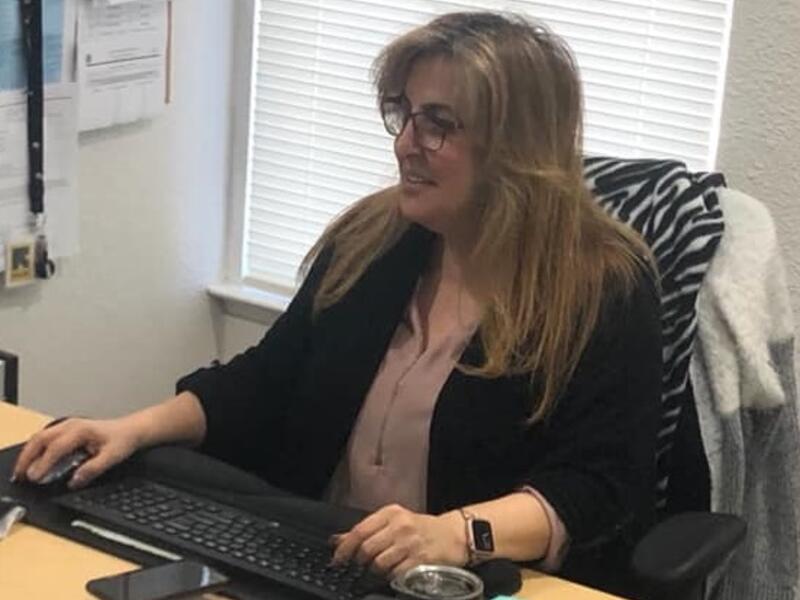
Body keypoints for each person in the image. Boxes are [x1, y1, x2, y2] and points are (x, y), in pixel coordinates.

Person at [12, 11, 661, 596]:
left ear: (517, 147)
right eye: (404, 114)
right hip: (320, 556)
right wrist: (132, 428)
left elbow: (599, 485)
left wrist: (457, 533)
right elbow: (268, 379)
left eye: (438, 124)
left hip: (463, 582)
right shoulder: (374, 238)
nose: (406, 143)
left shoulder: (601, 287)